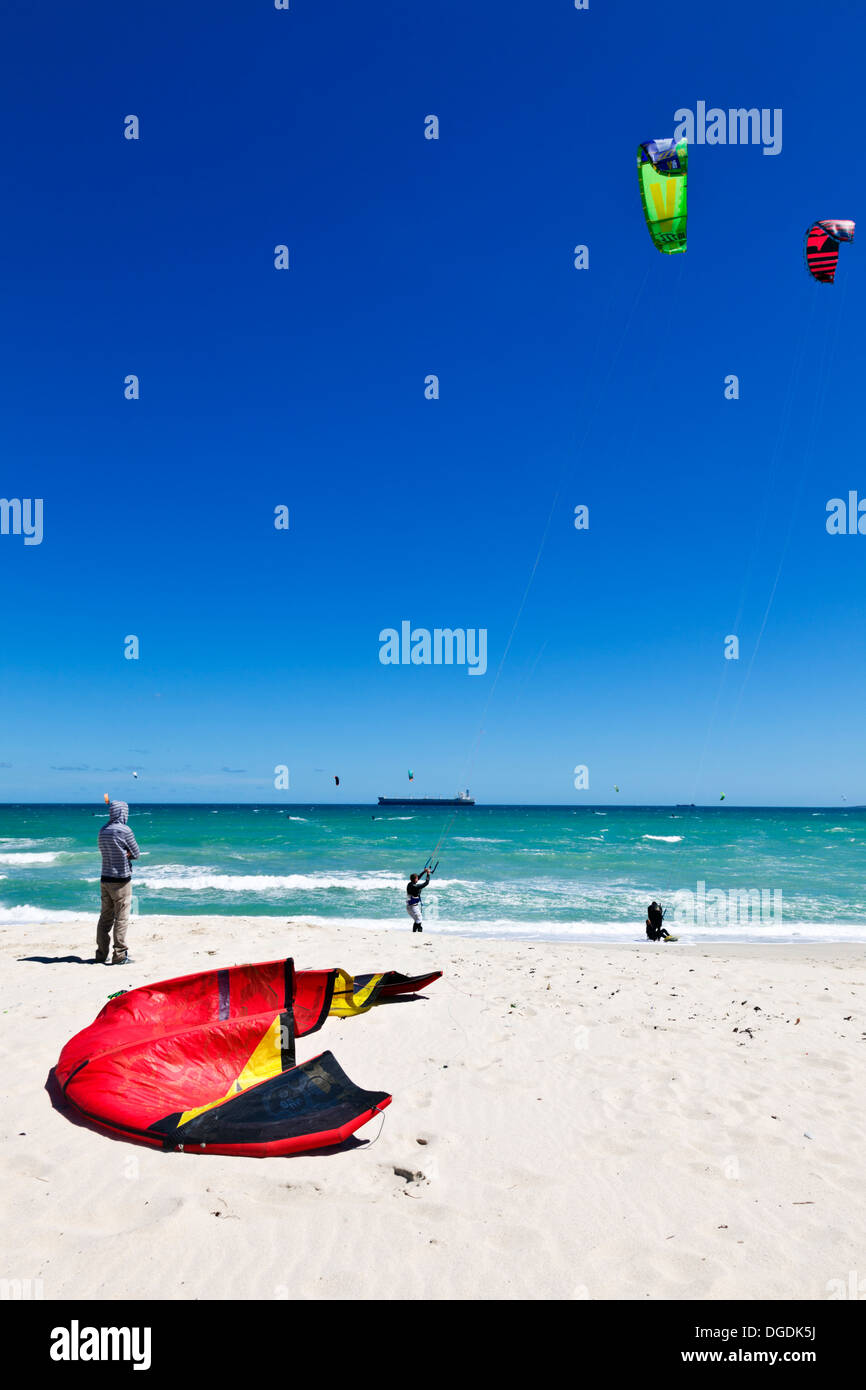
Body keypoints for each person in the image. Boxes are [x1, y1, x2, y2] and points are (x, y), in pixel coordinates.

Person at [96, 800, 140, 964]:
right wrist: (126, 853)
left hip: (105, 878)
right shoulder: (125, 830)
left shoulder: (103, 830)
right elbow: (136, 853)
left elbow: (105, 850)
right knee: (121, 918)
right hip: (121, 880)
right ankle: (120, 955)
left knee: (105, 918)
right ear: (123, 813)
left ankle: (101, 954)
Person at [405, 867, 431, 932]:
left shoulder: (409, 884)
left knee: (417, 920)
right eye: (417, 878)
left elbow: (418, 877)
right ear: (415, 880)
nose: (418, 879)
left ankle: (414, 932)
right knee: (419, 920)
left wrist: (424, 871)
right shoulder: (416, 887)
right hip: (413, 907)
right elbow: (426, 883)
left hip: (409, 906)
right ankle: (418, 932)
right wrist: (428, 874)